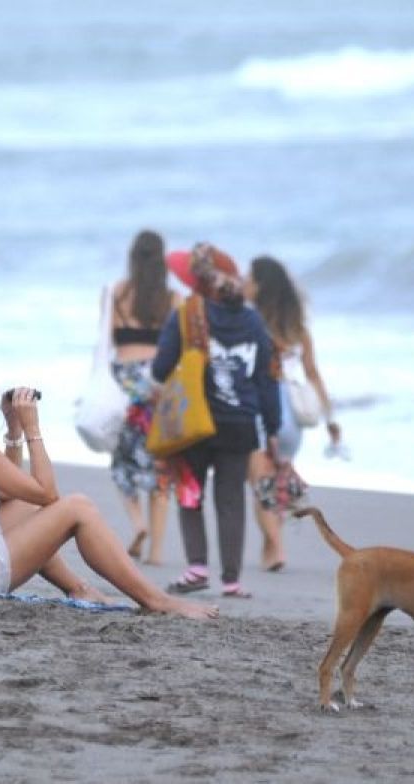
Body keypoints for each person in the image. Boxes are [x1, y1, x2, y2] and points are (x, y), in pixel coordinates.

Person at [0, 350, 219, 620]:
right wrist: (33, 427)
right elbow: (47, 492)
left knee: (28, 507)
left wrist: (13, 430)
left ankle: (78, 588)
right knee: (77, 507)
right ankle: (158, 601)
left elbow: (11, 492)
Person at [155, 243, 281, 598]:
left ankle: (196, 568)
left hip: (195, 420)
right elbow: (267, 377)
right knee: (231, 500)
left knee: (191, 491)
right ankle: (231, 580)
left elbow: (160, 367)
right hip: (241, 422)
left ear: (198, 282)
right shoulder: (254, 320)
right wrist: (272, 428)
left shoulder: (187, 313)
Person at [244, 255, 342, 572]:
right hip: (294, 419)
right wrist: (331, 419)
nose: (245, 282)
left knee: (261, 484)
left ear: (261, 286)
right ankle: (269, 546)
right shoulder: (299, 329)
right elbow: (314, 375)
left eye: (250, 278)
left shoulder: (251, 323)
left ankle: (276, 545)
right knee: (277, 480)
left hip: (264, 406)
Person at [108, 230, 182, 565]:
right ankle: (155, 553)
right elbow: (179, 349)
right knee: (160, 469)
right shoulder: (173, 299)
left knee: (122, 464)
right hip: (159, 387)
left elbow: (106, 341)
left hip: (125, 384)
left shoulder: (117, 293)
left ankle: (138, 524)